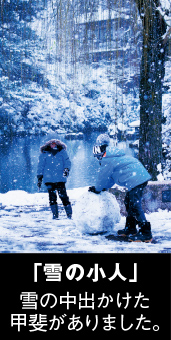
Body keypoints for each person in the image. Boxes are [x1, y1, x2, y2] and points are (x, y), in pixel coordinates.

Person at [88, 134, 153, 242]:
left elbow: (102, 177)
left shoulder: (107, 159)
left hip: (137, 180)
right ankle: (130, 228)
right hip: (139, 178)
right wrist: (103, 188)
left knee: (135, 205)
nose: (98, 158)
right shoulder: (113, 156)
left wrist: (97, 189)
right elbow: (110, 179)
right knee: (129, 201)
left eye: (98, 156)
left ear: (101, 153)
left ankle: (146, 233)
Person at [37, 139, 72, 219]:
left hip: (60, 179)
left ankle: (69, 215)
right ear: (48, 145)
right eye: (51, 144)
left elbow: (67, 162)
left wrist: (66, 169)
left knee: (64, 197)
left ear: (57, 144)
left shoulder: (62, 152)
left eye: (54, 144)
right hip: (49, 180)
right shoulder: (44, 154)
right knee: (52, 198)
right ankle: (55, 215)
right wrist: (39, 177)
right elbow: (40, 166)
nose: (53, 145)